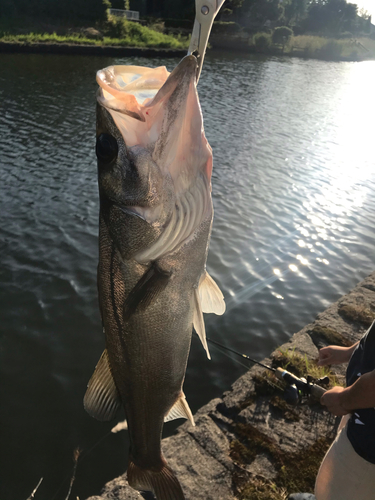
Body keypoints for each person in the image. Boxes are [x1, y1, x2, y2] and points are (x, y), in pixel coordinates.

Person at [313, 320, 375, 500]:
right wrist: (350, 352)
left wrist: (343, 400)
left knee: (339, 490)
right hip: (360, 413)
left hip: (368, 442)